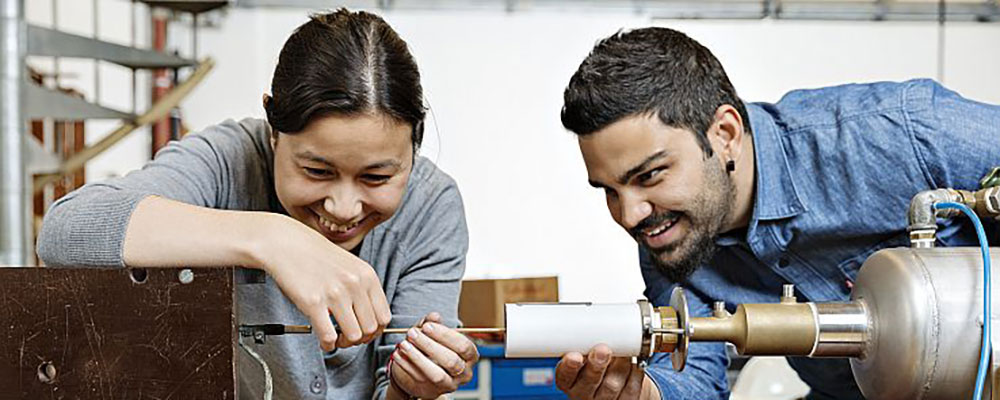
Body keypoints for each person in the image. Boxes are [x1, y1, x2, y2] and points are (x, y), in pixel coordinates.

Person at [37, 9, 477, 400]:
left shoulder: (432, 206)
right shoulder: (230, 160)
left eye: (377, 177)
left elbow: (399, 385)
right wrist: (270, 237)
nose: (344, 207)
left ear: (414, 143)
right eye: (317, 171)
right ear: (273, 128)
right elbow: (66, 231)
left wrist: (408, 386)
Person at [552, 26, 1000, 400]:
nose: (630, 215)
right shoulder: (671, 243)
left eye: (649, 176)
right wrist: (647, 393)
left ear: (724, 133)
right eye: (609, 191)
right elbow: (695, 376)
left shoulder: (897, 132)